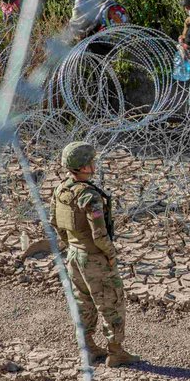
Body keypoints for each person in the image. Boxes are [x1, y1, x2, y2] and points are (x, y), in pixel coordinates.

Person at [50, 142, 140, 367]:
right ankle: (116, 351)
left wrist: (71, 245)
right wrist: (110, 254)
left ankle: (88, 347)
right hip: (94, 258)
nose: (94, 164)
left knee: (83, 302)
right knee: (112, 302)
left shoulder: (61, 190)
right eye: (91, 161)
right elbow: (99, 234)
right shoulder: (90, 196)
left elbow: (56, 224)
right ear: (83, 166)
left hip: (73, 256)